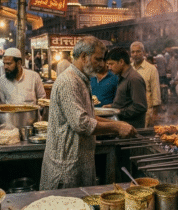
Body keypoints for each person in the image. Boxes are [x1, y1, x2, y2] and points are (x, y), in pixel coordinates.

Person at [40, 36, 136, 190]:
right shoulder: (68, 82)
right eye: (98, 59)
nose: (102, 64)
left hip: (78, 161)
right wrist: (117, 128)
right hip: (65, 165)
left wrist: (117, 123)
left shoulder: (82, 80)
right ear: (84, 56)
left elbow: (89, 115)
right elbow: (82, 123)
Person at [105, 47, 147, 128]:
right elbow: (125, 101)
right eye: (108, 64)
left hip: (131, 128)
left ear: (121, 62)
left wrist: (118, 111)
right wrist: (111, 107)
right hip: (122, 126)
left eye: (111, 64)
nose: (109, 68)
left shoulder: (134, 79)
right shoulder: (122, 77)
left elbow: (140, 107)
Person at [130, 41, 161, 127]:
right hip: (130, 112)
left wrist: (154, 115)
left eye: (138, 51)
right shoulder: (129, 68)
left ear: (143, 53)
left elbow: (156, 93)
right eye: (133, 52)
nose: (135, 54)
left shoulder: (151, 69)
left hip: (146, 112)